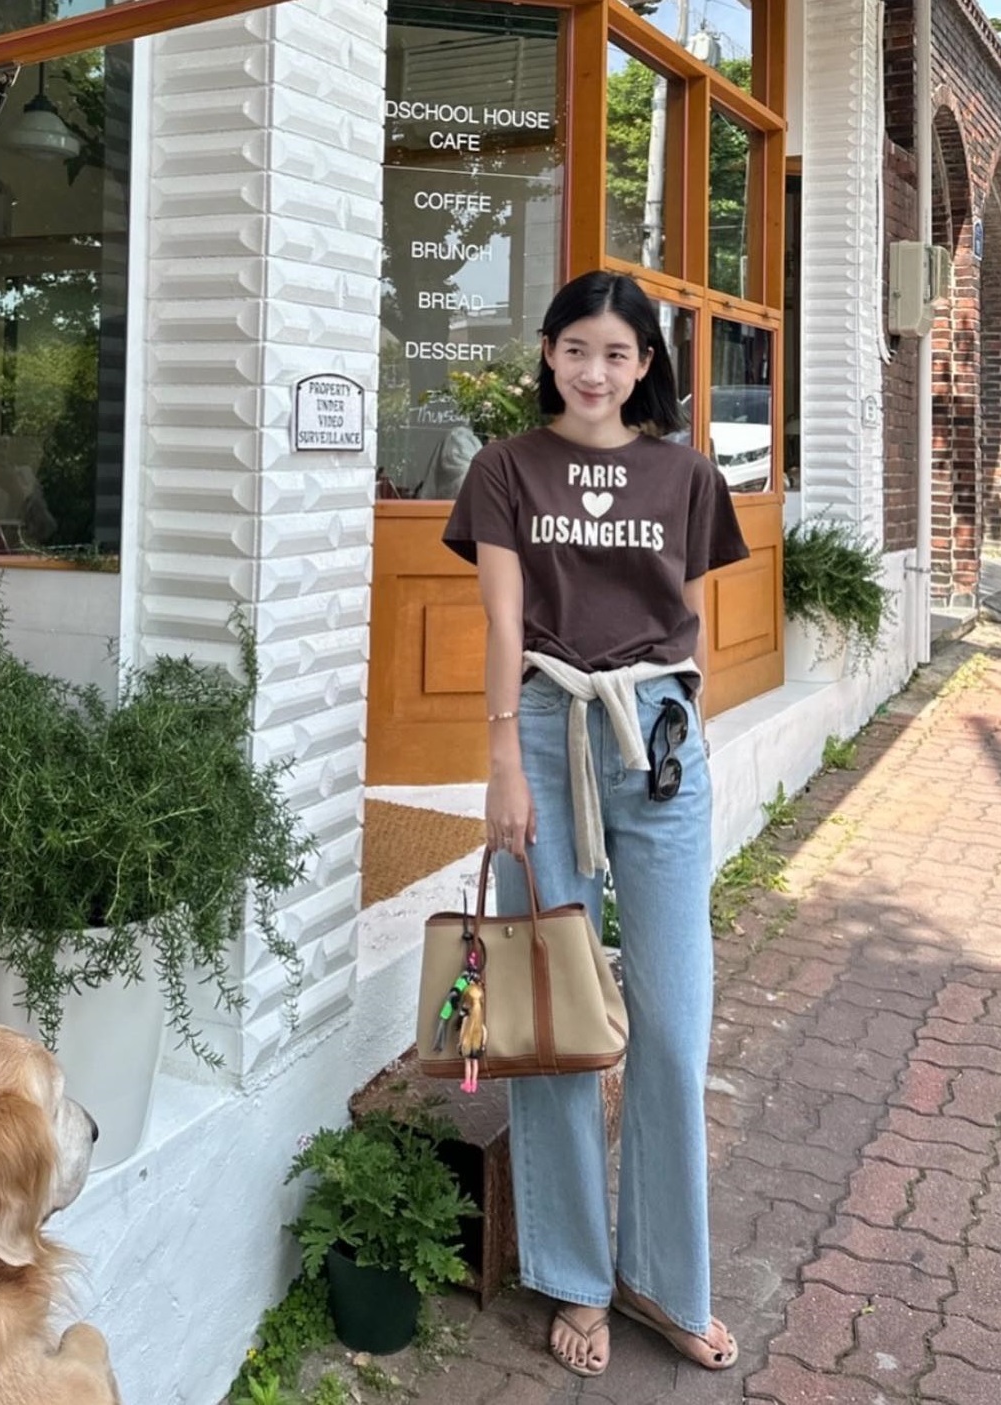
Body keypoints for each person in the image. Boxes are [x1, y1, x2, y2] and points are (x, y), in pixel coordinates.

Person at [442, 270, 750, 1379]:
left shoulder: (686, 473)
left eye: (617, 353)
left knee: (670, 1020)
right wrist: (498, 766)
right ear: (547, 354)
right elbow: (499, 621)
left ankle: (664, 1276)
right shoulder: (505, 469)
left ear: (646, 366)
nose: (593, 371)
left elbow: (694, 616)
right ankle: (574, 1273)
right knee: (556, 1013)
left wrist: (690, 721)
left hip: (657, 736)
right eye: (575, 348)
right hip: (541, 725)